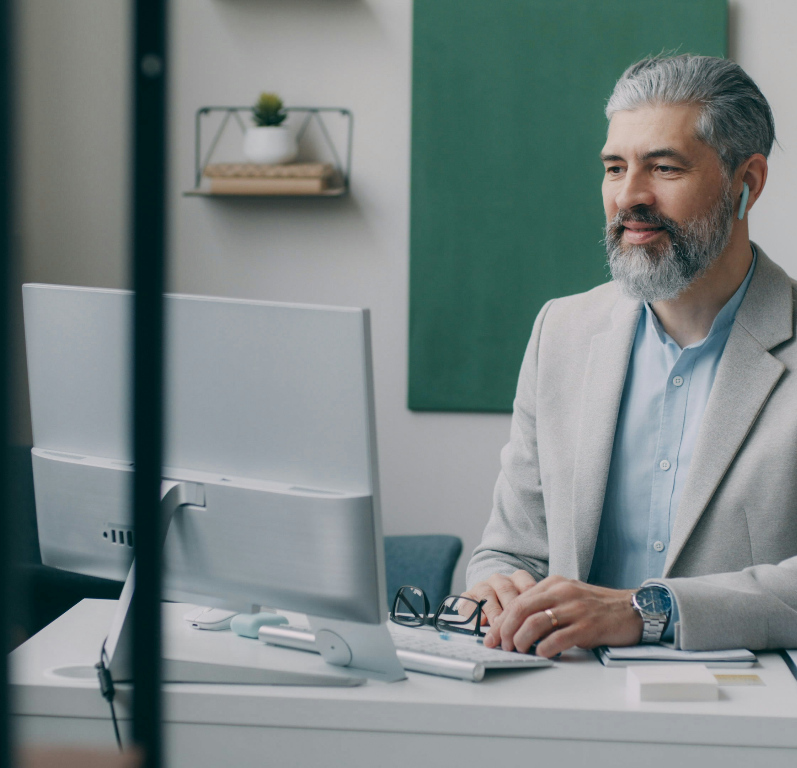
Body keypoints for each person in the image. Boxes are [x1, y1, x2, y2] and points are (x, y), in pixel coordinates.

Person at [464, 54, 797, 657]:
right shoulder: (560, 332)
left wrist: (646, 612)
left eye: (663, 168)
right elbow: (512, 548)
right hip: (567, 707)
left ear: (747, 183)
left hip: (751, 727)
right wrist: (495, 584)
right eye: (614, 168)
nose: (628, 196)